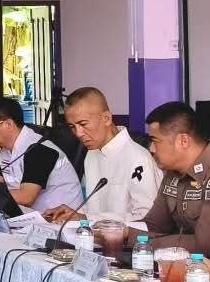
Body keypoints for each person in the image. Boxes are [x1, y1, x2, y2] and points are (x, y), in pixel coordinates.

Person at [44, 87, 158, 225]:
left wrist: (87, 218)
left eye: (83, 124)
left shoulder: (138, 158)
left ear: (106, 118)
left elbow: (146, 218)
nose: (78, 133)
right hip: (94, 234)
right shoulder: (91, 154)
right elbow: (94, 208)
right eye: (72, 127)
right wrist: (74, 213)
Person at [140, 102, 210, 258]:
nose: (151, 149)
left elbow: (203, 245)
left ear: (183, 141)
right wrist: (120, 232)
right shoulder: (173, 170)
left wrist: (145, 243)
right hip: (177, 264)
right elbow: (154, 225)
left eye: (155, 141)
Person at [0, 96, 83, 216]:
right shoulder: (6, 150)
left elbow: (26, 198)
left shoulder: (39, 149)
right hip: (36, 217)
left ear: (8, 124)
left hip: (64, 219)